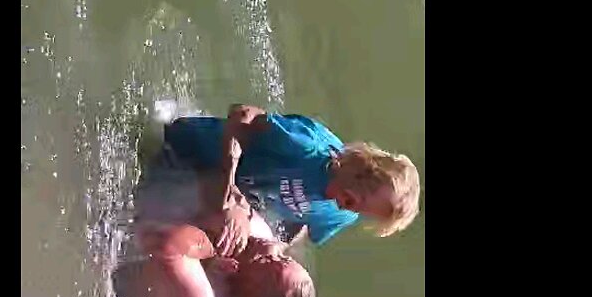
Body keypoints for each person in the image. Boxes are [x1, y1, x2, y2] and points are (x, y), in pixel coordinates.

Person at [163, 104, 421, 250]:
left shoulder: (340, 215)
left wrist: (275, 247)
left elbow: (301, 226)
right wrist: (228, 186)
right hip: (183, 148)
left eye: (363, 213)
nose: (348, 209)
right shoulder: (304, 146)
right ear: (360, 169)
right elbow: (242, 114)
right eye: (355, 201)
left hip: (204, 191)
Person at [111, 206, 315, 297]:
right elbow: (233, 203)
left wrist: (213, 248)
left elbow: (162, 241)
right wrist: (237, 210)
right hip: (135, 258)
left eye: (273, 269)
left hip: (110, 292)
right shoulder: (252, 265)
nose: (272, 255)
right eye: (284, 259)